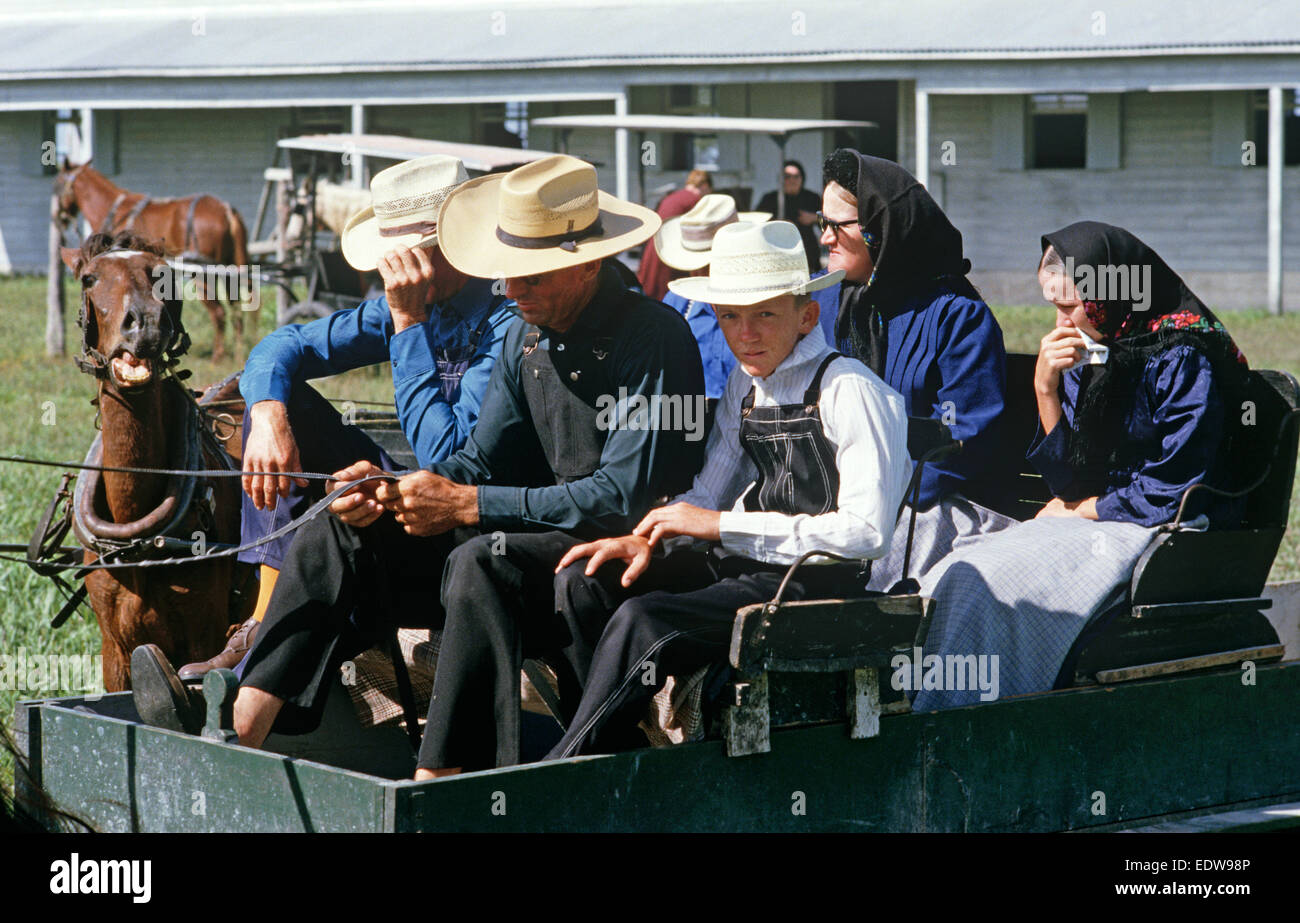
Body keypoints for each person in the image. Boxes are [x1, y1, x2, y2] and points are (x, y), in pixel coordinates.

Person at [133, 155, 707, 770]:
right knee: (342, 520)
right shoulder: (529, 331)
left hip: (627, 550)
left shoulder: (654, 337)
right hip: (532, 529)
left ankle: (440, 773)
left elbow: (620, 498)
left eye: (530, 278)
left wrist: (468, 503)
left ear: (587, 262)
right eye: (508, 274)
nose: (512, 291)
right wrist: (389, 488)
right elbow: (474, 461)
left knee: (481, 560)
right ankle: (238, 732)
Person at [542, 220, 912, 759]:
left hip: (818, 588)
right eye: (730, 316)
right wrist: (649, 537)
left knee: (644, 619)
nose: (746, 333)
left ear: (807, 315)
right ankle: (615, 756)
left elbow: (865, 533)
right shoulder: (746, 383)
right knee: (585, 581)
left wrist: (719, 527)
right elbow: (709, 491)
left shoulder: (851, 391)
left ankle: (561, 770)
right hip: (747, 570)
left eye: (765, 313)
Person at [173, 155, 515, 680]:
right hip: (409, 491)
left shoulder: (504, 315)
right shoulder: (424, 298)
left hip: (462, 514)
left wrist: (406, 324)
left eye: (402, 257)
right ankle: (263, 618)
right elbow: (280, 344)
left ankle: (288, 637)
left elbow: (446, 459)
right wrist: (267, 414)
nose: (387, 271)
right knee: (286, 404)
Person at [909, 221, 1251, 710]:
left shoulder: (1182, 357)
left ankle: (972, 715)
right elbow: (1067, 482)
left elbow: (1171, 489)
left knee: (996, 580)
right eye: (1054, 306)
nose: (1061, 323)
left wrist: (1082, 510)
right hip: (1096, 520)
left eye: (1071, 306)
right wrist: (1045, 388)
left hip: (1159, 529)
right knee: (964, 568)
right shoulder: (1096, 349)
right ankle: (930, 703)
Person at [811, 148, 1013, 592]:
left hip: (930, 505)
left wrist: (876, 494)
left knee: (861, 572)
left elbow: (965, 441)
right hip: (831, 498)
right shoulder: (822, 305)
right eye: (820, 223)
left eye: (837, 226)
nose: (825, 239)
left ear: (881, 231)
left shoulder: (958, 317)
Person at [653, 193, 771, 403]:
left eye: (706, 264)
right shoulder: (678, 302)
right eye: (695, 266)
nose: (698, 273)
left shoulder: (763, 298)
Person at [636, 168, 713, 300]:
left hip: (656, 250)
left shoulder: (673, 196)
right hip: (668, 257)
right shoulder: (695, 201)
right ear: (705, 186)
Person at [756, 160, 823, 273]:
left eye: (796, 176)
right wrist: (777, 223)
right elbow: (757, 221)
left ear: (802, 179)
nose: (792, 180)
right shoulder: (770, 199)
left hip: (807, 251)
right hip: (778, 252)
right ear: (781, 179)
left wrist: (813, 218)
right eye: (787, 177)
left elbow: (829, 219)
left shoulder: (812, 198)